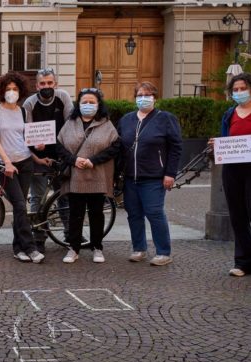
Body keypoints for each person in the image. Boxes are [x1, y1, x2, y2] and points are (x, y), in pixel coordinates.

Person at [117, 81, 182, 266]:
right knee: (134, 214)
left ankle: (163, 251)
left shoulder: (166, 118)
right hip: (130, 176)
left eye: (147, 95)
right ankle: (139, 249)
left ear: (155, 97)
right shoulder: (126, 119)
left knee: (154, 213)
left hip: (154, 176)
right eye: (139, 95)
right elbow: (119, 146)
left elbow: (176, 148)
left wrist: (170, 173)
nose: (143, 98)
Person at [0, 72, 47, 264]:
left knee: (19, 208)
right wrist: (6, 162)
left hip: (25, 162)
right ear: (1, 91)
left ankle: (18, 248)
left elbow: (26, 138)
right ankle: (30, 248)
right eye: (8, 89)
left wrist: (37, 155)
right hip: (5, 166)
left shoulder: (22, 111)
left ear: (20, 91)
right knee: (21, 205)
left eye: (14, 89)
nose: (11, 92)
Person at [57, 88, 120, 264]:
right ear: (79, 104)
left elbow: (115, 147)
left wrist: (94, 160)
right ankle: (73, 248)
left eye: (92, 102)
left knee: (96, 215)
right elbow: (59, 145)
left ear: (98, 105)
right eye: (84, 102)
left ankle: (97, 247)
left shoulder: (106, 124)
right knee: (75, 214)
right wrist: (73, 159)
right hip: (75, 176)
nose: (88, 105)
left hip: (97, 176)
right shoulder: (70, 123)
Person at [22, 68, 73, 253]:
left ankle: (69, 233)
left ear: (55, 84)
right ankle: (39, 236)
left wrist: (63, 150)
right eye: (42, 83)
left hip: (61, 154)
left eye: (50, 83)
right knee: (38, 197)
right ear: (36, 86)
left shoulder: (63, 97)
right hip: (39, 156)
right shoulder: (29, 103)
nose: (46, 86)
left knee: (64, 196)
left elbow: (71, 124)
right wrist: (36, 145)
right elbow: (26, 130)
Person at [216, 72, 251, 277]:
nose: (239, 93)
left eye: (243, 89)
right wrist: (217, 145)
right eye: (235, 90)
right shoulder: (230, 113)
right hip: (232, 168)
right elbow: (225, 137)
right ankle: (243, 261)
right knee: (238, 216)